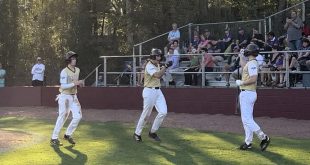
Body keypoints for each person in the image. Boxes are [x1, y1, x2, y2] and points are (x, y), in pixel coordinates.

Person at [235, 44, 271, 151]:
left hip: (248, 92)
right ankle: (248, 142)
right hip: (247, 92)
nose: (245, 51)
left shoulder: (252, 63)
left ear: (250, 52)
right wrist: (241, 56)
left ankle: (264, 137)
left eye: (246, 51)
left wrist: (242, 82)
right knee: (246, 119)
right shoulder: (250, 63)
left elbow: (253, 78)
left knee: (247, 119)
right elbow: (243, 66)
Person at [133, 48, 172, 142]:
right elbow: (157, 75)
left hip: (158, 91)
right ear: (153, 56)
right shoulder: (149, 65)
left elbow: (160, 74)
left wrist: (164, 67)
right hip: (149, 91)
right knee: (146, 114)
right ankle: (137, 133)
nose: (158, 58)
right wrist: (165, 67)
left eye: (159, 56)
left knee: (163, 112)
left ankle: (152, 132)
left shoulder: (157, 64)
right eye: (157, 56)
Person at [50, 51, 84, 146]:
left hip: (74, 96)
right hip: (64, 96)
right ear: (68, 60)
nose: (75, 60)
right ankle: (54, 138)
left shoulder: (77, 70)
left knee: (78, 117)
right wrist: (75, 83)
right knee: (62, 116)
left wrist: (79, 84)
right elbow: (63, 86)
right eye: (72, 58)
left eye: (75, 58)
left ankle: (68, 134)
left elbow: (75, 82)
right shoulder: (64, 72)